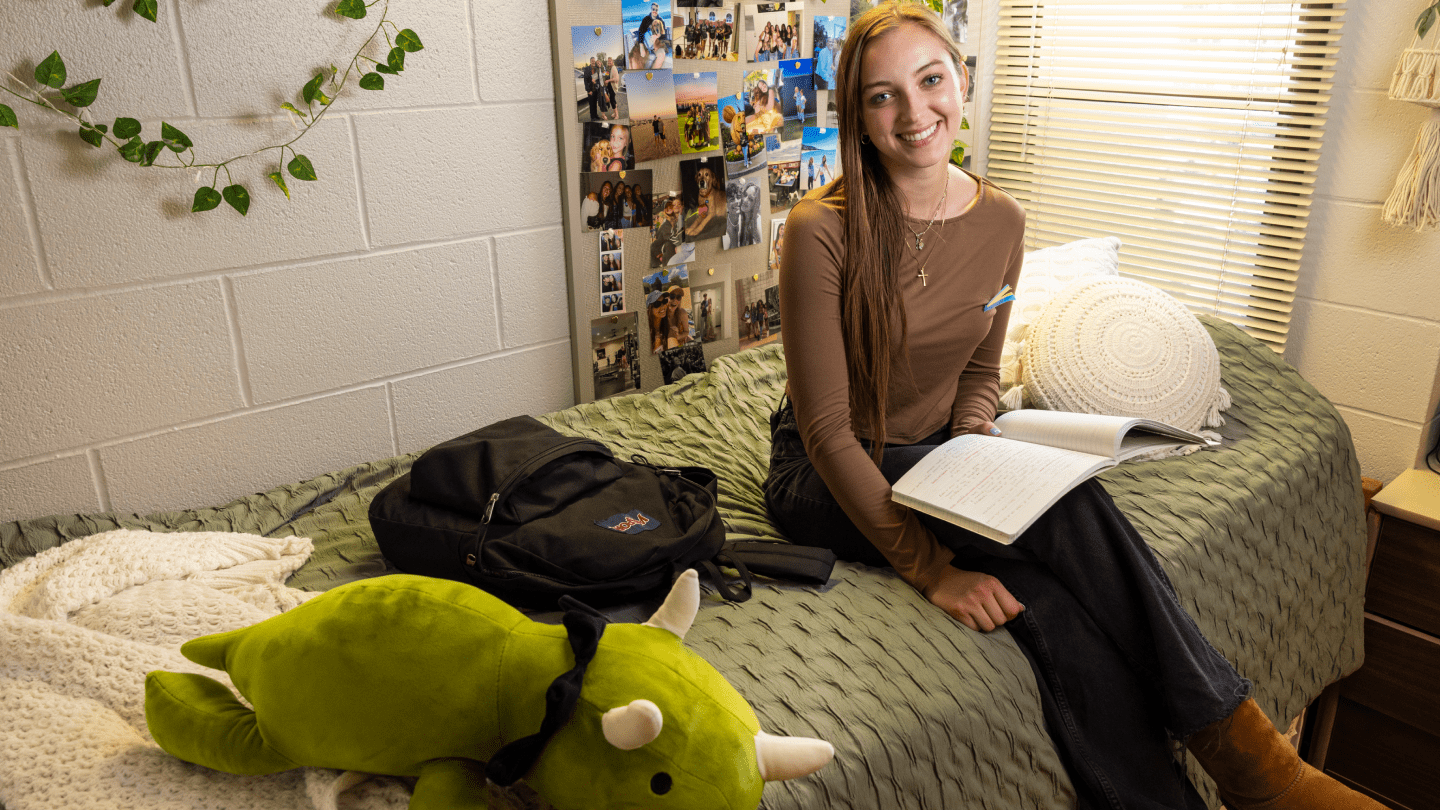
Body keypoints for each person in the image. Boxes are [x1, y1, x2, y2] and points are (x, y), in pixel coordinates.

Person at [762, 5, 1385, 810]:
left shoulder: (1001, 220)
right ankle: (1257, 766)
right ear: (856, 111)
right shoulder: (820, 229)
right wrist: (935, 570)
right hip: (823, 471)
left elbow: (983, 368)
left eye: (930, 81)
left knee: (1054, 599)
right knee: (1071, 509)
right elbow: (824, 429)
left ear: (961, 81)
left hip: (930, 456)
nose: (914, 115)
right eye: (883, 97)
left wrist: (978, 450)